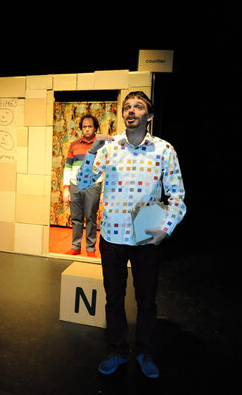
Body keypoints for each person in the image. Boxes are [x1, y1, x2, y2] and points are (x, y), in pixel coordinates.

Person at [76, 91, 186, 378]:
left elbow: (177, 196)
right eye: (127, 107)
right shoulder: (109, 147)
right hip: (112, 236)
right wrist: (92, 150)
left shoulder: (164, 149)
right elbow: (83, 182)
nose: (131, 111)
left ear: (149, 116)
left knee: (146, 301)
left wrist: (166, 229)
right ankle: (117, 350)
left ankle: (144, 352)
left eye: (138, 106)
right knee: (114, 298)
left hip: (145, 237)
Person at [62, 114, 103, 256]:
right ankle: (76, 246)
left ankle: (90, 248)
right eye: (84, 127)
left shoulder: (102, 146)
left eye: (90, 126)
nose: (87, 129)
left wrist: (103, 191)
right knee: (76, 218)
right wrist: (66, 188)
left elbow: (105, 169)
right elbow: (68, 168)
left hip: (93, 185)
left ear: (95, 128)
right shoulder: (74, 145)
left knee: (91, 217)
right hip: (75, 185)